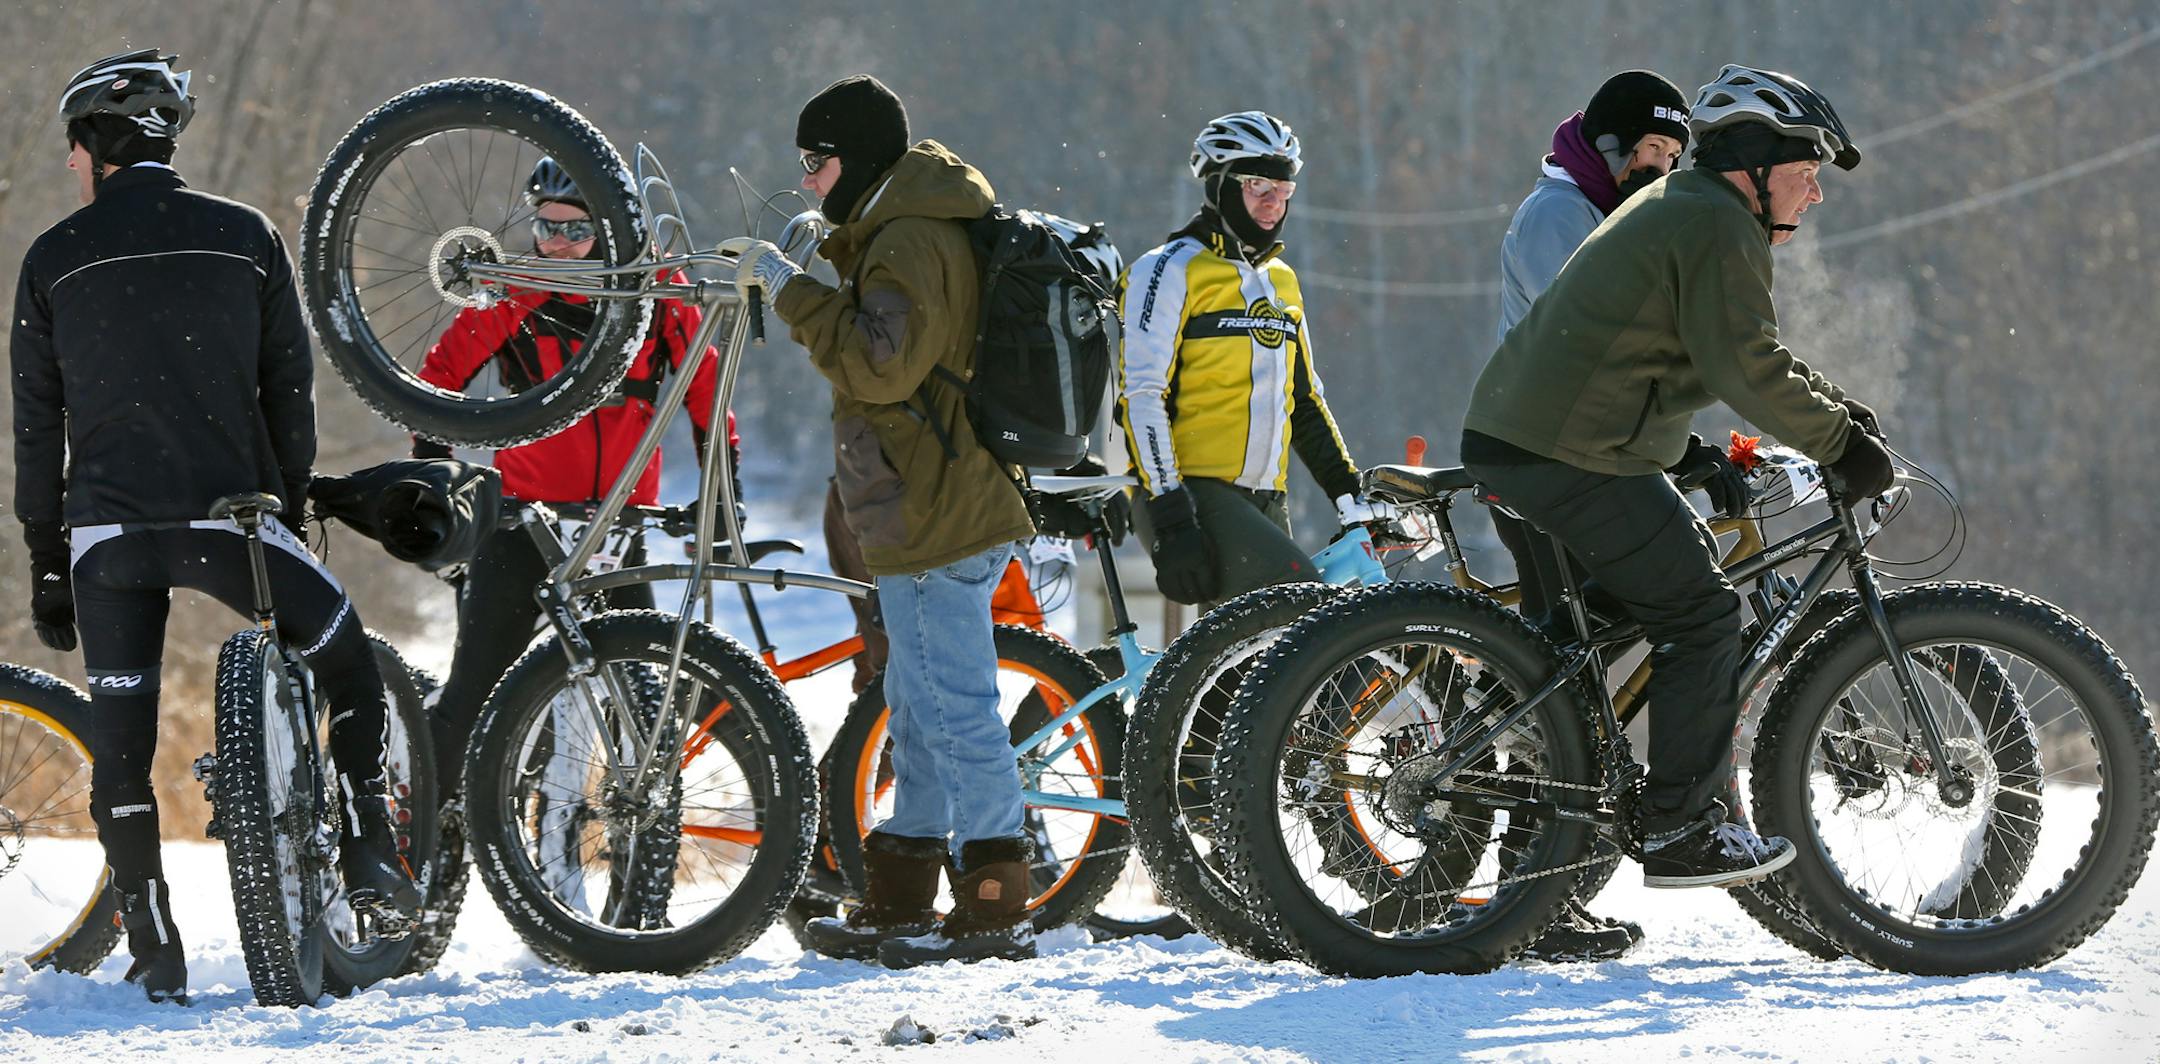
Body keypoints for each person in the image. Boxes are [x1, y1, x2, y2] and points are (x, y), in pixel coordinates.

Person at [12, 50, 417, 1003]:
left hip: (106, 541)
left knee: (122, 744)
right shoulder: (244, 237)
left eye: (73, 149)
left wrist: (46, 560)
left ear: (97, 148)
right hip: (232, 524)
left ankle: (153, 941)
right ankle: (366, 849)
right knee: (344, 657)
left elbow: (38, 427)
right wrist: (281, 496)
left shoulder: (52, 259)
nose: (71, 168)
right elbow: (289, 391)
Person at [1460, 65, 1894, 891]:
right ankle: (1681, 829)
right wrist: (1842, 444)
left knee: (1633, 605)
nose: (1817, 196)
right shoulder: (1715, 223)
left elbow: (1742, 349)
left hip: (1560, 441)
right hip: (1566, 449)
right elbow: (1746, 362)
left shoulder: (1693, 208)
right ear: (1756, 166)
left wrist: (1842, 415)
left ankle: (1527, 752)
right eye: (1808, 174)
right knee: (1702, 617)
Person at [727, 74, 1038, 967]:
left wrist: (789, 291)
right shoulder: (903, 229)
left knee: (959, 710)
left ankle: (993, 902)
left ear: (855, 158)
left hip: (937, 507)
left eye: (816, 163)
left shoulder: (909, 237)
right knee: (917, 704)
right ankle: (902, 893)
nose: (811, 180)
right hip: (920, 505)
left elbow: (880, 364)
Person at [412, 156, 735, 796]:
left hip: (619, 524)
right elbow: (437, 381)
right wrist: (436, 487)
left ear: (611, 231)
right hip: (523, 523)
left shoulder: (657, 291)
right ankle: (420, 830)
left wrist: (724, 496)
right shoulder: (513, 289)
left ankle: (627, 849)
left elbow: (708, 392)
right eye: (545, 228)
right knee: (475, 693)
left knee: (639, 703)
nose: (556, 245)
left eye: (575, 232)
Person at [1490, 69, 1694, 963]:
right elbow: (1594, 345)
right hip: (1547, 470)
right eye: (1651, 154)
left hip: (1586, 459)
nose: (1662, 172)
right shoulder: (1556, 217)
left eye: (1676, 159)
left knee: (1580, 664)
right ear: (1610, 150)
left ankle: (1545, 883)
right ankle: (1527, 893)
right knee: (1564, 676)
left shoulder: (1608, 214)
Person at [817, 210, 1123, 695]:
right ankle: (848, 771)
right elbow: (972, 439)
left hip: (904, 500)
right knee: (905, 678)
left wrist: (1080, 476)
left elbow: (1012, 431)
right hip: (889, 502)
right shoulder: (998, 329)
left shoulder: (1010, 329)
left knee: (934, 681)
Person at [1117, 111, 1388, 609]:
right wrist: (1172, 513)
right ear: (1219, 186)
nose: (1272, 201)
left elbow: (1303, 402)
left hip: (1266, 497)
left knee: (1259, 675)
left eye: (1283, 189)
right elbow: (1141, 396)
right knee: (1309, 624)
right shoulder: (1168, 270)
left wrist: (1350, 497)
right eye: (1256, 184)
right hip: (1191, 493)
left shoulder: (1281, 280)